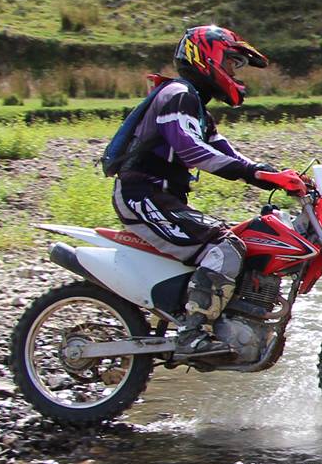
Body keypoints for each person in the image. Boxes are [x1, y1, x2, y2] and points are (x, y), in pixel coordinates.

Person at [111, 24, 308, 354]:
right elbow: (193, 151)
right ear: (207, 58)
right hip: (142, 196)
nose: (233, 71)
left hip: (163, 198)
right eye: (230, 63)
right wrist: (257, 174)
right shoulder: (177, 96)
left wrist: (278, 176)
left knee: (242, 239)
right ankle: (192, 334)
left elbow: (228, 154)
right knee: (226, 246)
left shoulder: (197, 108)